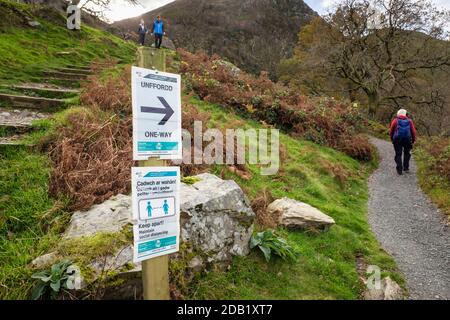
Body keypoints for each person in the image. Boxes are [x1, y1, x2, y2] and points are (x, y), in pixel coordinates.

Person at [389, 109, 417, 175]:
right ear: (405, 114)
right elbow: (413, 132)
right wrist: (413, 140)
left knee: (398, 154)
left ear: (398, 114)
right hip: (407, 140)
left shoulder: (395, 121)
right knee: (407, 153)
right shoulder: (409, 121)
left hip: (397, 139)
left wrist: (392, 139)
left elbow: (391, 131)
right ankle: (406, 168)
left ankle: (399, 170)